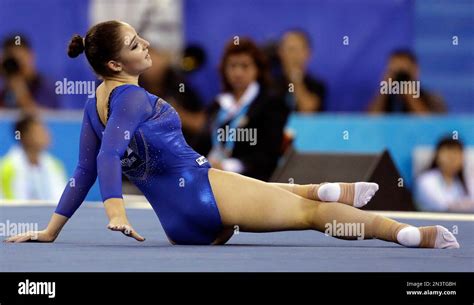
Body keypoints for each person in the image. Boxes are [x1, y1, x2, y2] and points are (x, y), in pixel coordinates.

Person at [5, 21, 459, 250]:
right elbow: (105, 160)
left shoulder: (93, 104)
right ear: (115, 65)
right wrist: (116, 210)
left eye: (140, 37)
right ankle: (409, 235)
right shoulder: (133, 99)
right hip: (204, 191)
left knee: (288, 197)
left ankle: (322, 186)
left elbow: (83, 169)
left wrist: (51, 230)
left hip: (182, 224)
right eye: (134, 45)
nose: (145, 45)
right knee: (313, 214)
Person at [194, 38, 289, 181]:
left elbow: (268, 155)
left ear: (257, 69)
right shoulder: (217, 104)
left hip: (252, 181)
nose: (238, 73)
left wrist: (228, 166)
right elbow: (200, 145)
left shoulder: (272, 104)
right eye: (232, 66)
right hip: (210, 176)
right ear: (224, 69)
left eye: (245, 66)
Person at [0, 114, 67, 200]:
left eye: (45, 129)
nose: (46, 134)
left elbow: (62, 201)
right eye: (39, 131)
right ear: (24, 136)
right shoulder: (6, 168)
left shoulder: (54, 165)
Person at [367, 49, 446, 114]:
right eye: (394, 71)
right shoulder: (384, 99)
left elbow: (433, 126)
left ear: (415, 71)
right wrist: (383, 91)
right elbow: (369, 123)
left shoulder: (432, 98)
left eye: (403, 72)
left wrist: (409, 94)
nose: (399, 77)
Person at [0, 35, 59, 111]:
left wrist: (19, 89)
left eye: (19, 59)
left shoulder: (46, 86)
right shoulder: (4, 86)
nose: (15, 66)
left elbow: (49, 118)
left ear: (31, 57)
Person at [415, 137, 474, 212]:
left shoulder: (468, 180)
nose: (452, 158)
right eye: (448, 154)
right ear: (437, 156)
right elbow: (442, 206)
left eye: (457, 154)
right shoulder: (425, 180)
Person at [273, 29, 326, 113]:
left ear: (308, 53)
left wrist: (296, 79)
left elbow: (308, 110)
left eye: (299, 50)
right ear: (280, 53)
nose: (295, 55)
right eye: (291, 49)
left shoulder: (317, 86)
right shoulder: (270, 84)